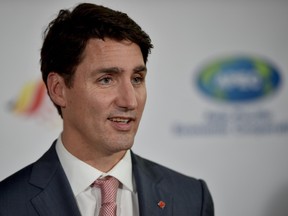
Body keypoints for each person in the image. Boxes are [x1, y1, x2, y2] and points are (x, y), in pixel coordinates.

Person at [0, 3, 214, 216]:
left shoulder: (193, 197)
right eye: (106, 80)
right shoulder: (7, 204)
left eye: (137, 79)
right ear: (58, 89)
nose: (130, 101)